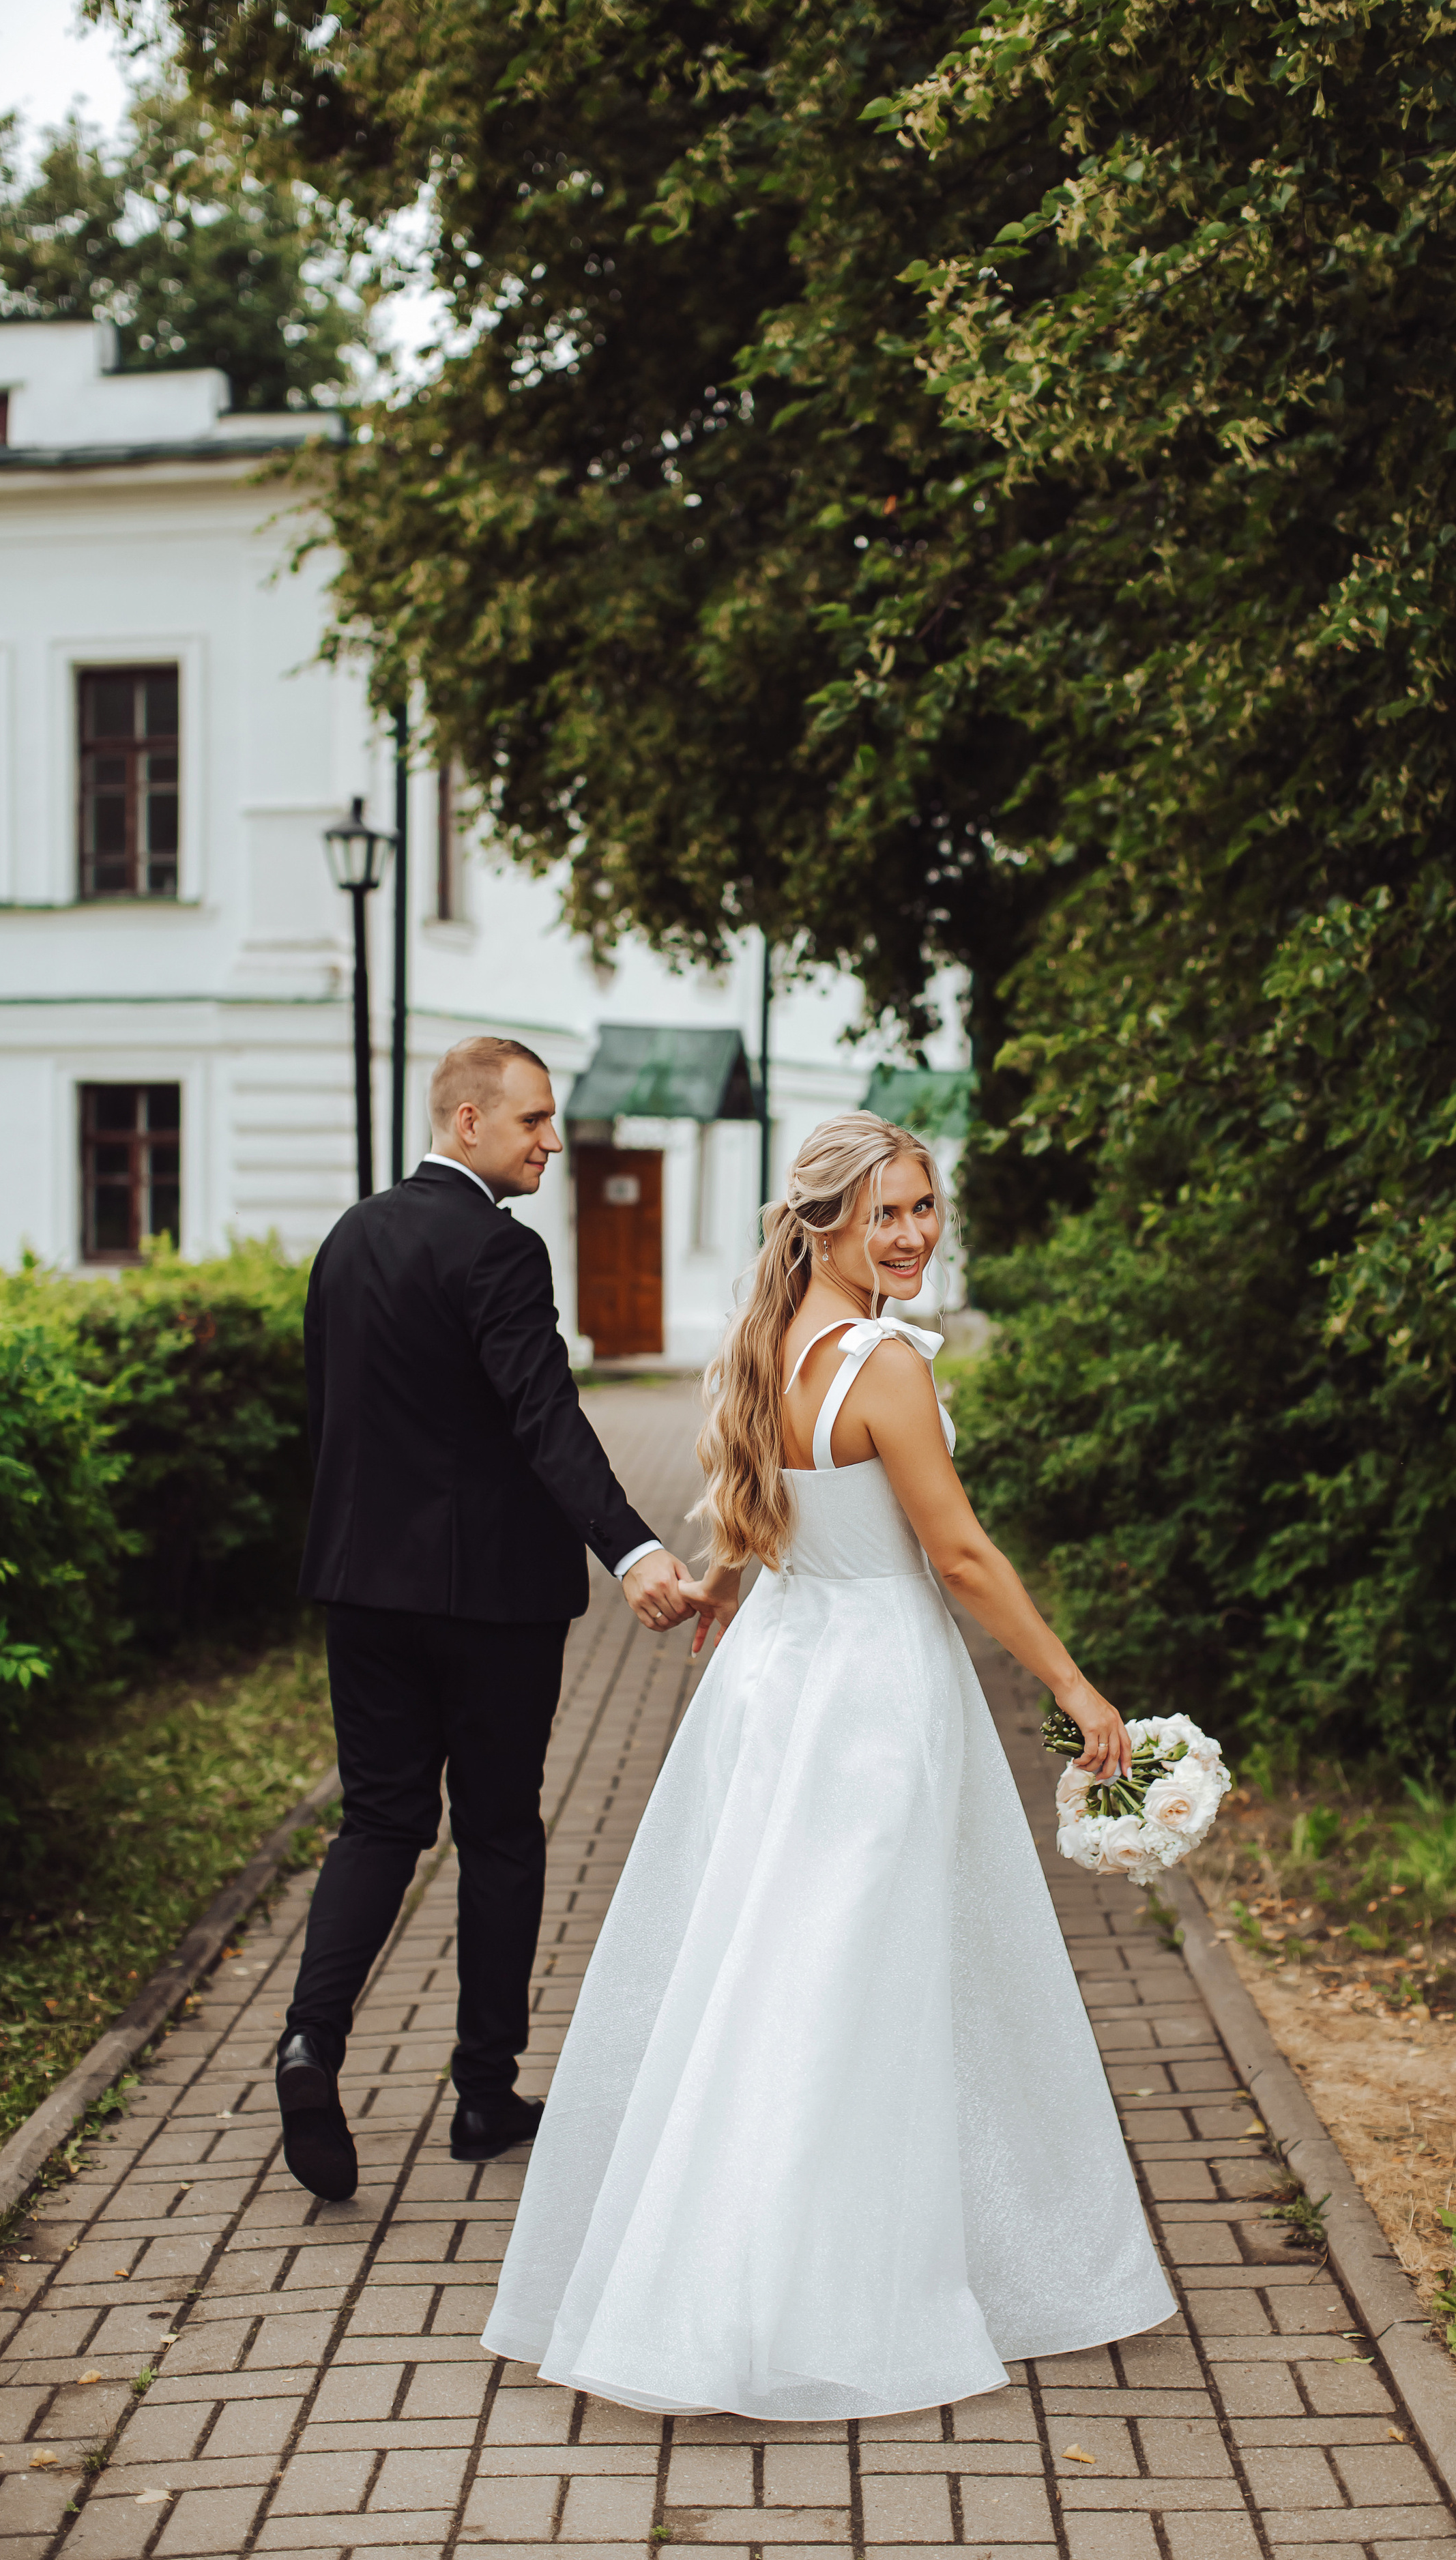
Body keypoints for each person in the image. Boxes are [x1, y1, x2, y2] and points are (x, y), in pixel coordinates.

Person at [482, 1109, 1172, 2419]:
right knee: (852, 1971)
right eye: (887, 1213)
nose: (913, 1234)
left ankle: (741, 2251)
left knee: (775, 1963)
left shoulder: (766, 1342)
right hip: (869, 1692)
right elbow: (959, 1558)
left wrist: (728, 1598)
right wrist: (1078, 1688)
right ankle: (806, 2288)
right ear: (822, 1222)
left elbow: (763, 1513)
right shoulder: (885, 1367)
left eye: (924, 1207)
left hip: (778, 1680)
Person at [276, 1034, 695, 2203]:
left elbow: (333, 1417)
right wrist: (634, 1548)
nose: (551, 1141)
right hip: (493, 1605)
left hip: (361, 1590)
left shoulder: (348, 1238)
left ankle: (310, 2042)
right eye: (533, 1122)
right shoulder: (503, 1253)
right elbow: (543, 1416)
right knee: (501, 1834)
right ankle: (482, 2092)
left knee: (380, 1822)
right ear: (468, 1122)